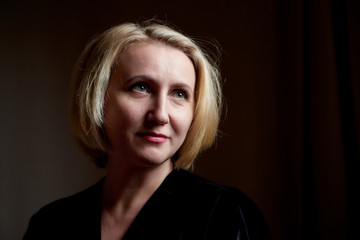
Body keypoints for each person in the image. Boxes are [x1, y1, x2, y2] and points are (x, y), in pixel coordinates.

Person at [23, 20, 271, 240]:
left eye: (179, 94)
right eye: (141, 87)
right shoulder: (50, 224)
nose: (161, 115)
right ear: (98, 97)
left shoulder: (226, 214)